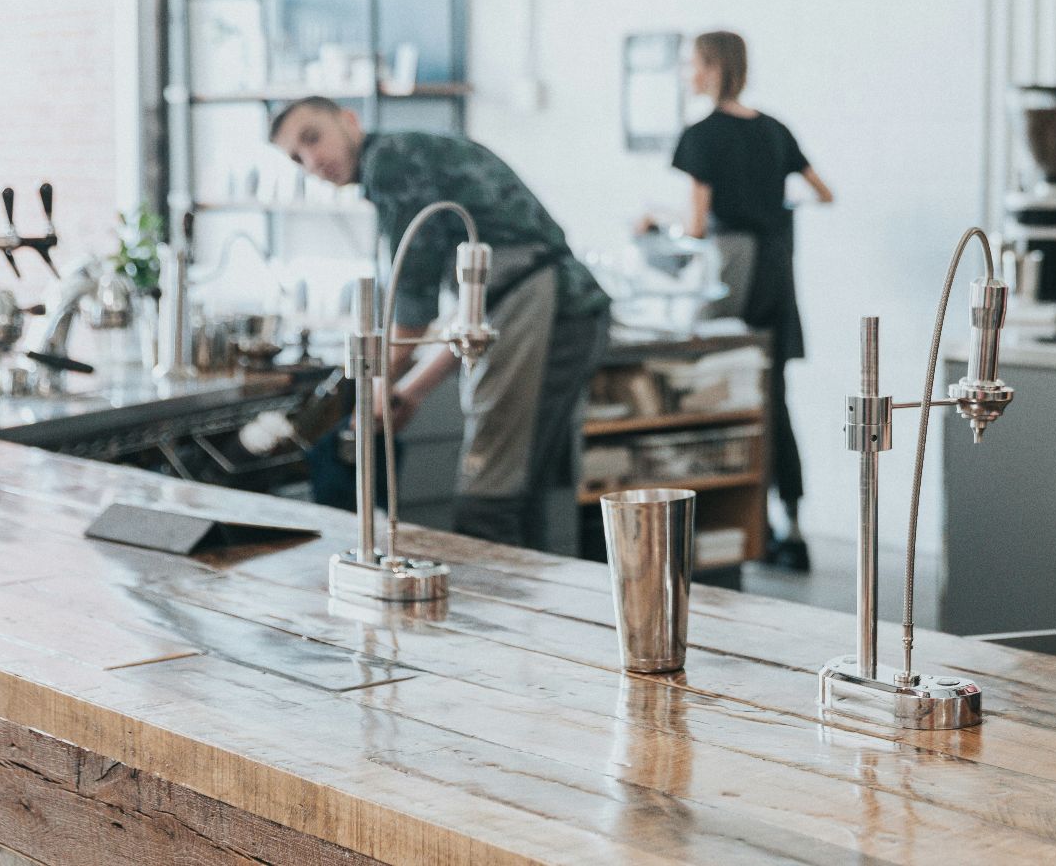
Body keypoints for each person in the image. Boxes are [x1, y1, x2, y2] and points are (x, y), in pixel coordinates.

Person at [270, 97, 610, 552]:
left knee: (489, 496)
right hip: (548, 308)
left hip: (551, 306)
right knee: (513, 489)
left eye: (313, 138)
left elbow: (414, 308)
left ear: (349, 121)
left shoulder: (391, 162)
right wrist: (410, 389)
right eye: (297, 158)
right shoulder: (410, 156)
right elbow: (474, 317)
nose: (312, 161)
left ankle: (498, 614)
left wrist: (375, 387)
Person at [671, 30, 833, 571]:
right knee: (773, 399)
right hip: (776, 272)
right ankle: (790, 524)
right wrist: (776, 204)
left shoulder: (701, 136)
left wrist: (655, 224)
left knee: (717, 394)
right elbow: (823, 192)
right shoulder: (774, 131)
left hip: (731, 273)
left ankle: (730, 526)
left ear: (713, 67)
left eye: (691, 62)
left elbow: (695, 227)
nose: (686, 72)